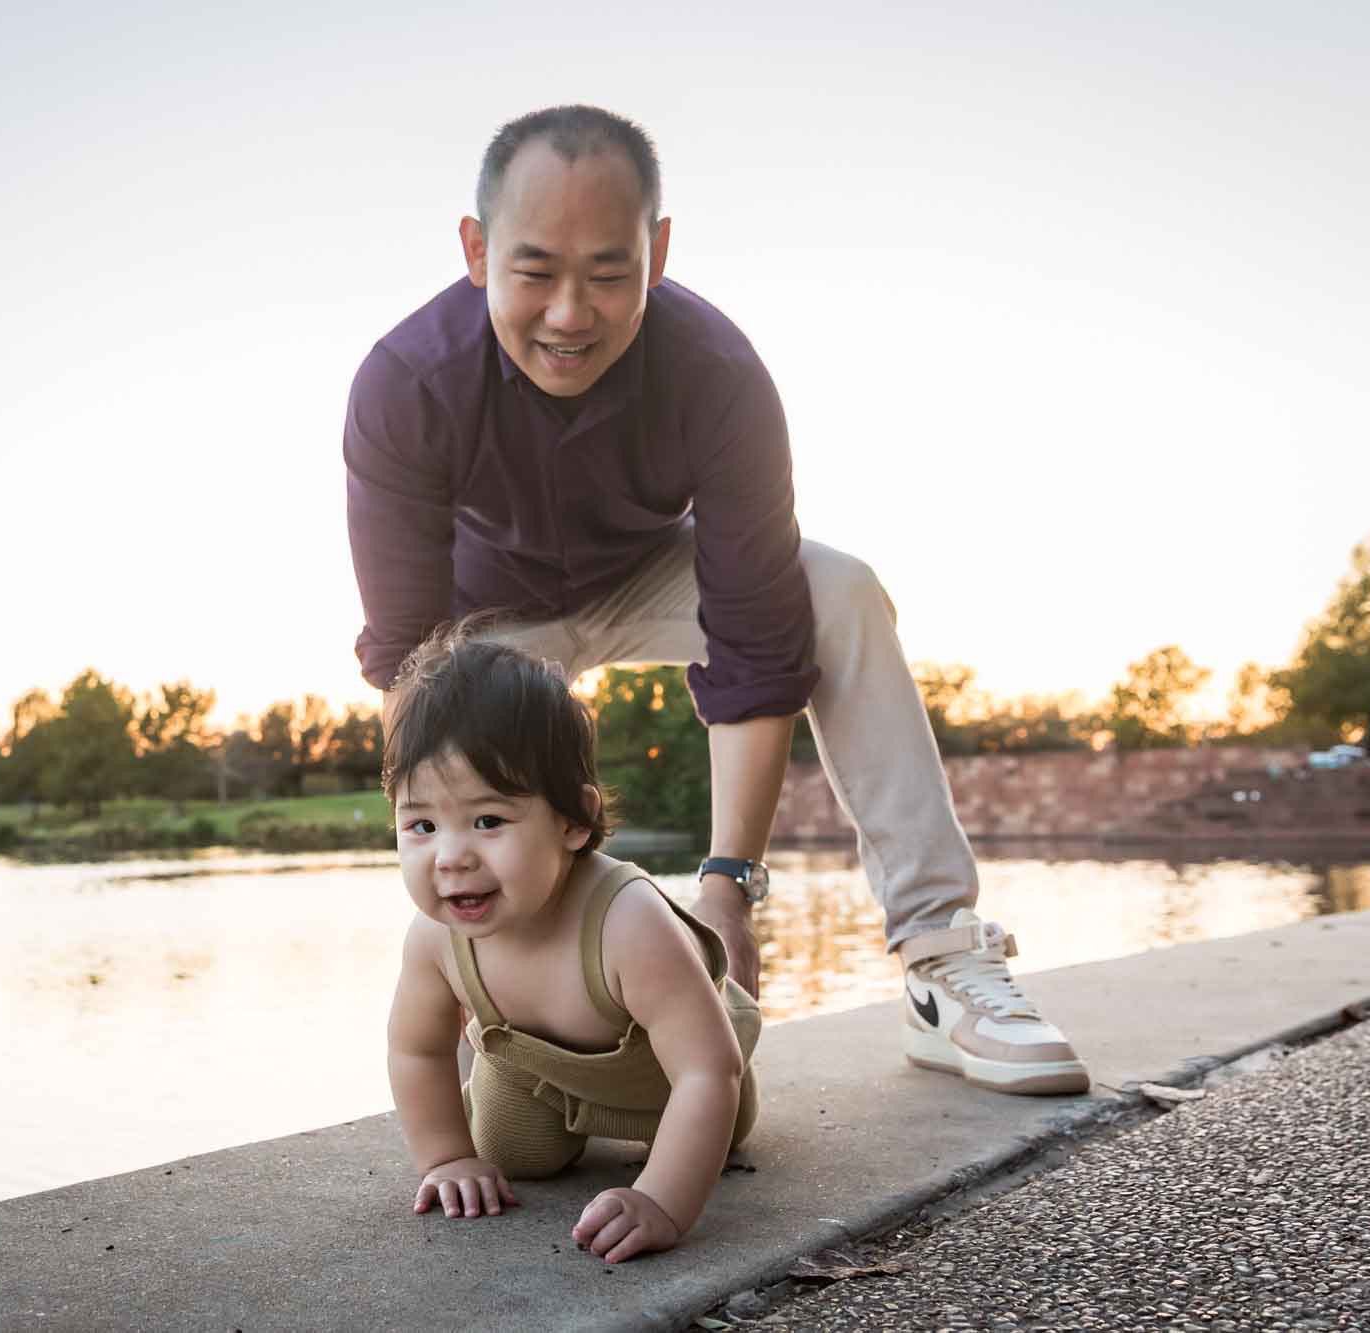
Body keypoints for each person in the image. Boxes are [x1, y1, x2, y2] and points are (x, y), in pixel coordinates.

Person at [345, 104, 1087, 1097]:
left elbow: (754, 635)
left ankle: (940, 960)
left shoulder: (719, 373)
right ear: (476, 252)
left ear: (656, 251)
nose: (570, 314)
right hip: (491, 623)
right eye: (535, 272)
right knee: (450, 701)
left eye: (608, 273)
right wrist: (463, 930)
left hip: (652, 574)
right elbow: (410, 658)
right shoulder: (404, 385)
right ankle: (511, 1006)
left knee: (838, 589)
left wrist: (727, 882)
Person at [384, 628, 761, 1263]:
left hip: (669, 1084)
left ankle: (684, 1143)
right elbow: (416, 1050)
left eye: (488, 821)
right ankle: (514, 1124)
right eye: (421, 824)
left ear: (574, 820)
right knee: (508, 1155)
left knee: (716, 1129)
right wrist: (447, 1157)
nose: (451, 857)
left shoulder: (626, 921)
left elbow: (704, 1070)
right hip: (540, 1079)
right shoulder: (435, 939)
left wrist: (662, 1201)